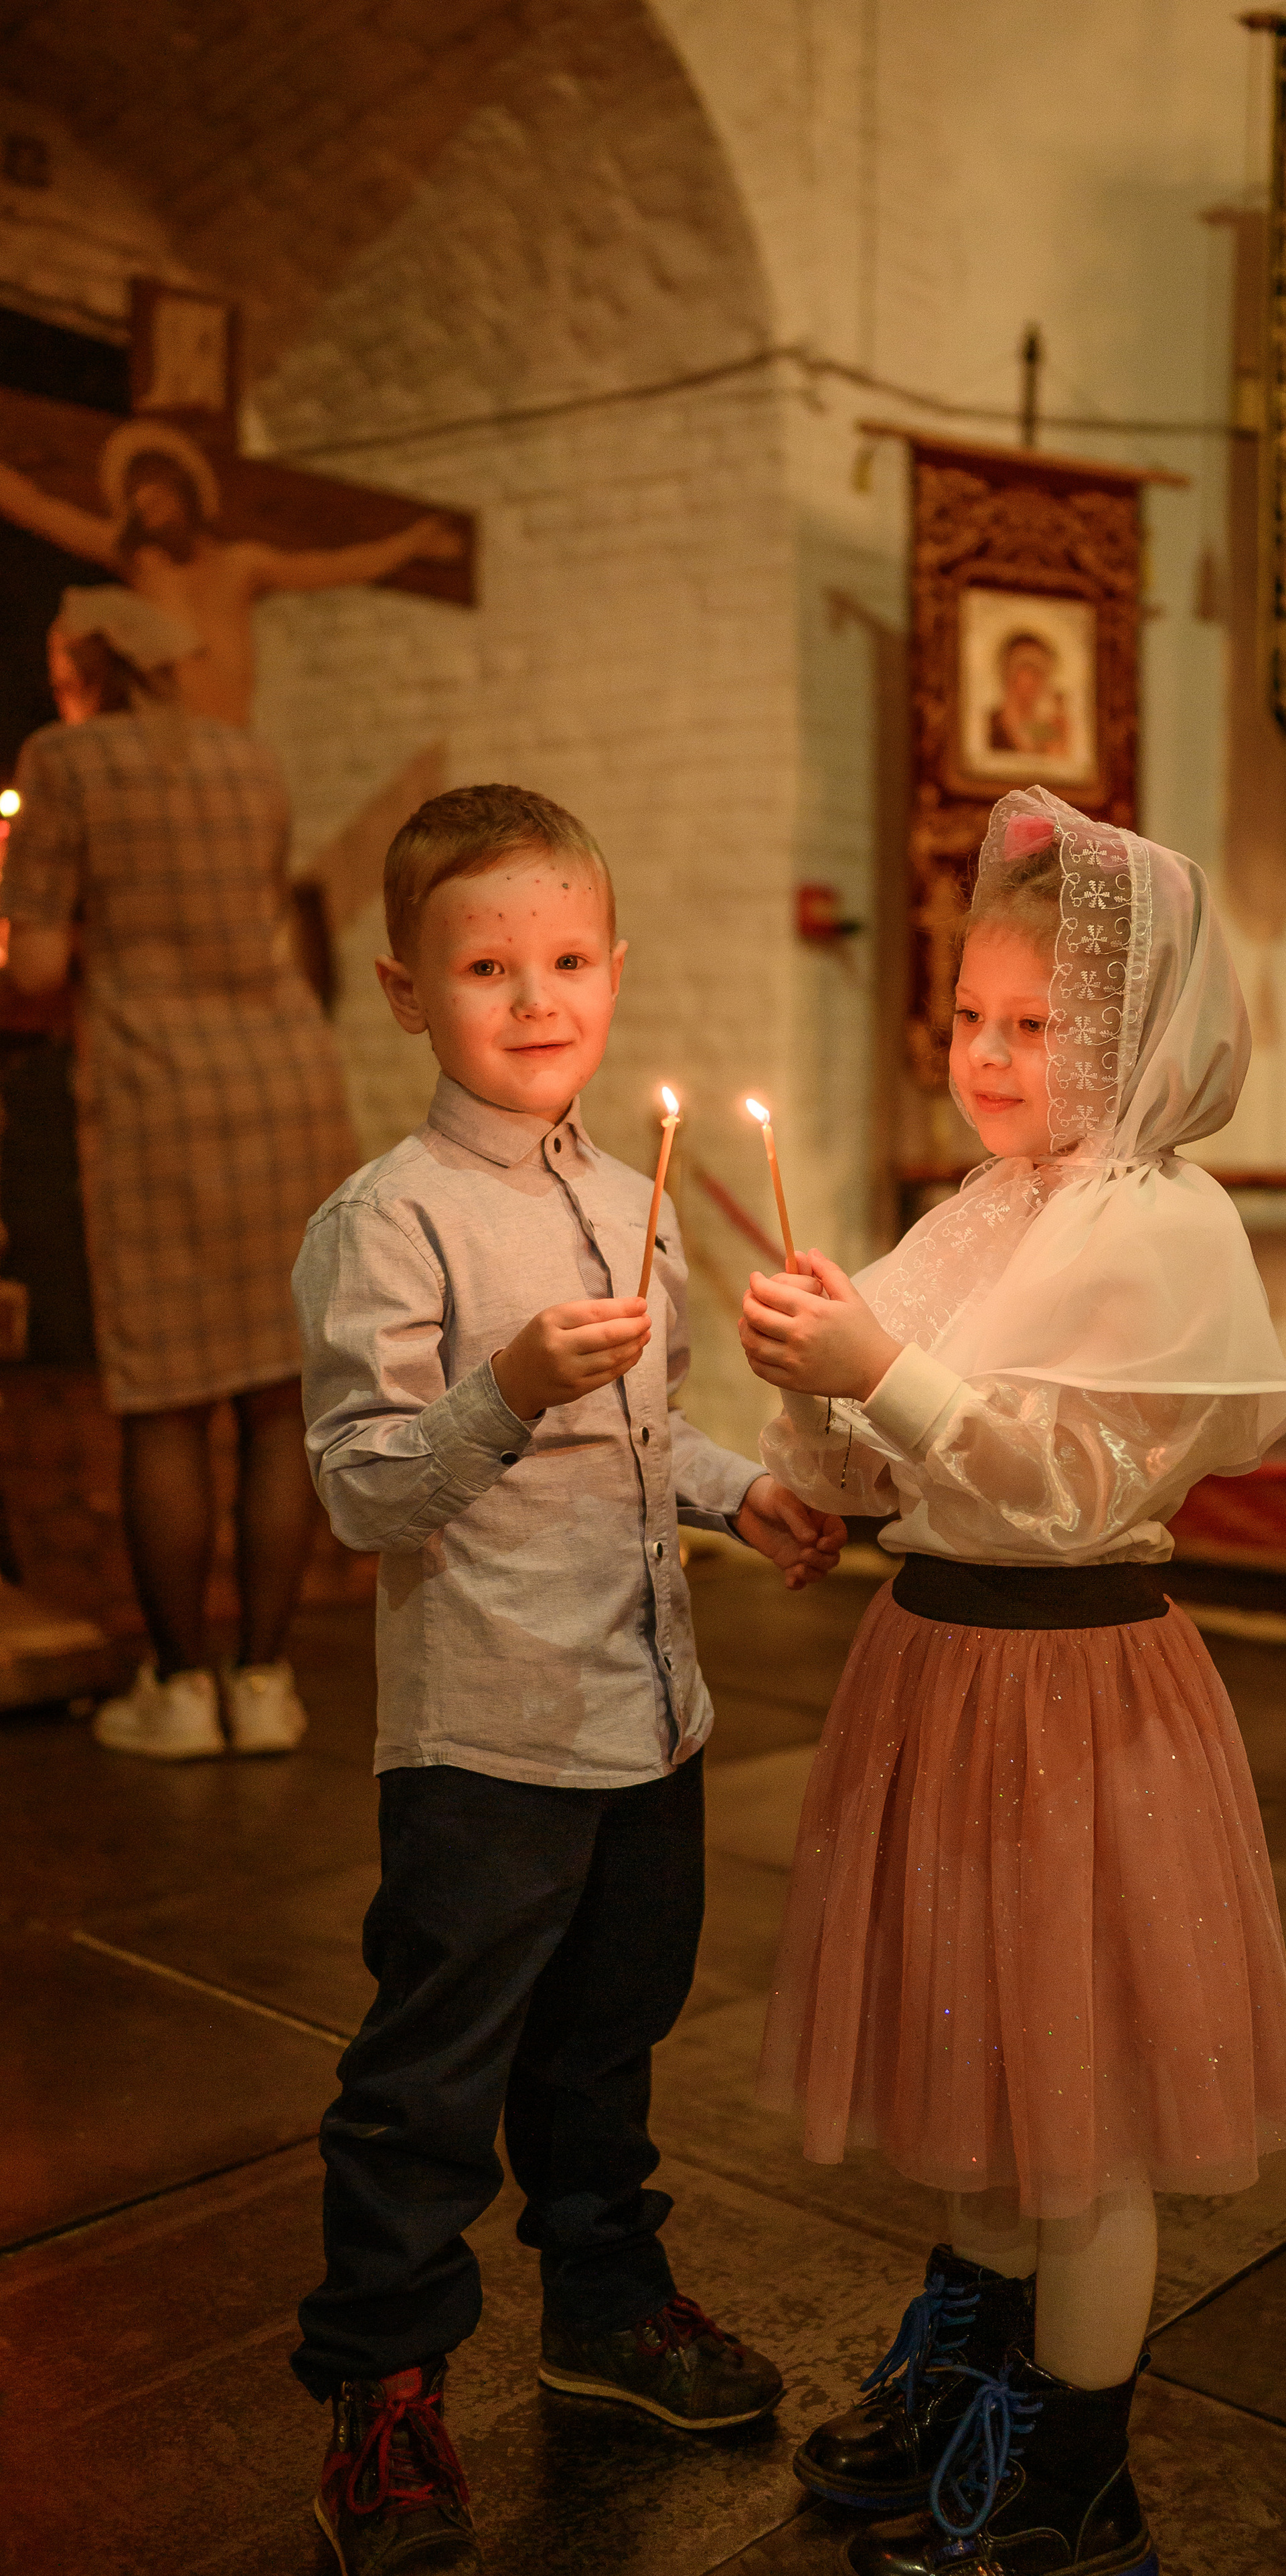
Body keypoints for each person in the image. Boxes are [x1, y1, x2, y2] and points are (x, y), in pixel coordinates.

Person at [738, 785, 1286, 2576]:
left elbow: (1068, 1484)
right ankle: (975, 2359)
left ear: (1134, 1038)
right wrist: (807, 1416)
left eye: (1035, 1024)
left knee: (1089, 2097)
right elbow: (895, 1462)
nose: (985, 1053)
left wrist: (882, 1371)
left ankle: (1078, 2461)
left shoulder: (1156, 1226)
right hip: (946, 1675)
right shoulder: (985, 1207)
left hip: (1076, 1695)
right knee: (979, 2045)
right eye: (969, 1014)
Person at [289, 783, 847, 2576]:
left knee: (608, 2041)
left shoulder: (633, 1194)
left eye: (572, 956)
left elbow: (647, 1429)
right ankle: (383, 2390)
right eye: (489, 964)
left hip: (648, 1711)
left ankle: (601, 2303)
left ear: (615, 966)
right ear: (404, 990)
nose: (540, 997)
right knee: (433, 2072)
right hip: (488, 1726)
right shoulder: (390, 1220)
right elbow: (367, 1488)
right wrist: (507, 1379)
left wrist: (738, 1488)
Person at [2, 586, 359, 1759]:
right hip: (284, 1079)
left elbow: (41, 962)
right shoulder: (246, 761)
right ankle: (263, 1681)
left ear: (83, 669)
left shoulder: (63, 761)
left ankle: (177, 1684)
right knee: (271, 1395)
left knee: (164, 1394)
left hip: (159, 1086)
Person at [0, 419, 465, 726]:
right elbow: (45, 513)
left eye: (161, 496)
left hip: (233, 734)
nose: (153, 509)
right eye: (141, 502)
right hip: (171, 742)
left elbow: (334, 566)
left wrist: (411, 543)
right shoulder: (141, 564)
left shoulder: (241, 566)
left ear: (188, 495)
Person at [986, 630, 1071, 759]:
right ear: (1008, 673)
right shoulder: (990, 725)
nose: (1038, 679)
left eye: (1042, 671)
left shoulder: (1044, 728)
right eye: (1028, 669)